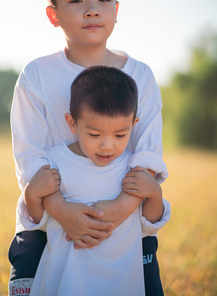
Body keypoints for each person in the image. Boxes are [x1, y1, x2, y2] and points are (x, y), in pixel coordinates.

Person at [8, 0, 170, 296]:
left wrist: (118, 209)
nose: (92, 9)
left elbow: (147, 156)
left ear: (116, 9)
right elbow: (30, 157)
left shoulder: (140, 75)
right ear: (53, 15)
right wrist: (63, 210)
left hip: (124, 231)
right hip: (49, 226)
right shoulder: (37, 75)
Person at [24, 66, 166, 295]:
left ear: (134, 124)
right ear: (72, 123)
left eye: (120, 135)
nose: (107, 146)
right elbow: (39, 220)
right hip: (66, 280)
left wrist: (154, 194)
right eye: (95, 134)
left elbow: (149, 223)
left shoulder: (133, 170)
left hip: (120, 282)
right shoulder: (56, 161)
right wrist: (32, 195)